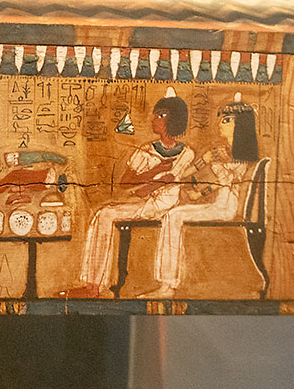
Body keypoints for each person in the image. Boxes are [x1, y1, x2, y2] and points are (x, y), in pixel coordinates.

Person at [65, 88, 194, 298]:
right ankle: (93, 285)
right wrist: (155, 172)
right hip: (146, 205)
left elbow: (170, 183)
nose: (154, 119)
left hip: (167, 207)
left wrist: (150, 186)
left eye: (160, 115)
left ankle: (94, 286)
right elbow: (126, 182)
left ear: (174, 119)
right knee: (103, 215)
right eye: (155, 114)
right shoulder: (146, 149)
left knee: (106, 215)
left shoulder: (187, 154)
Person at [144, 93, 259, 298]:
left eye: (226, 120)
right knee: (172, 215)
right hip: (219, 204)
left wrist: (199, 192)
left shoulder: (243, 156)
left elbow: (223, 183)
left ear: (240, 125)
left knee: (174, 216)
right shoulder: (221, 151)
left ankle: (168, 285)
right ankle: (166, 283)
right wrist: (181, 177)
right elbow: (198, 169)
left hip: (228, 208)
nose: (220, 124)